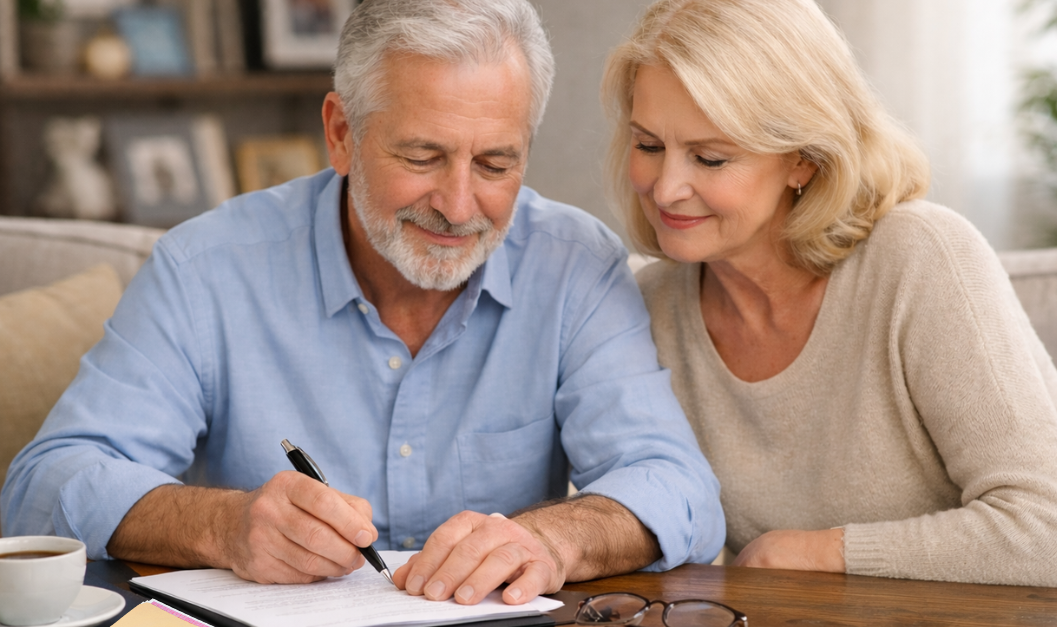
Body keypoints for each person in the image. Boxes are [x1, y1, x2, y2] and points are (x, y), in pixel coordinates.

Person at [1, 0, 724, 606]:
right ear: (342, 134)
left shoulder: (573, 265)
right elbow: (44, 484)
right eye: (422, 157)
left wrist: (552, 537)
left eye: (497, 163)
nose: (459, 204)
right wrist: (223, 524)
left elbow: (676, 487)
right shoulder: (206, 267)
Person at [607, 0, 1057, 594]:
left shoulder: (920, 257)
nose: (666, 188)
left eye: (710, 157)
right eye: (649, 145)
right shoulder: (652, 305)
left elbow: (1048, 537)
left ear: (804, 160)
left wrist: (816, 554)